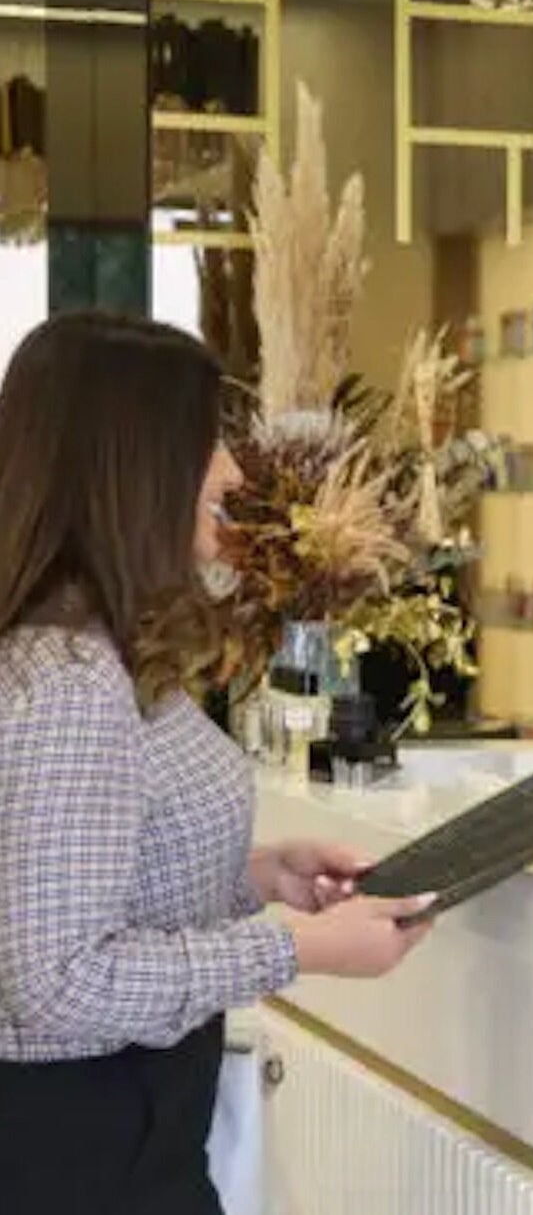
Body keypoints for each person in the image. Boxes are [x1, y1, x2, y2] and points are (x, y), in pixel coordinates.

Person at [0, 311, 435, 1215]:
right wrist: (293, 947)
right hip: (84, 1153)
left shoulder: (90, 650)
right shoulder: (73, 682)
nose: (233, 472)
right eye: (210, 443)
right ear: (137, 464)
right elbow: (55, 983)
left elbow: (81, 881)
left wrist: (259, 876)